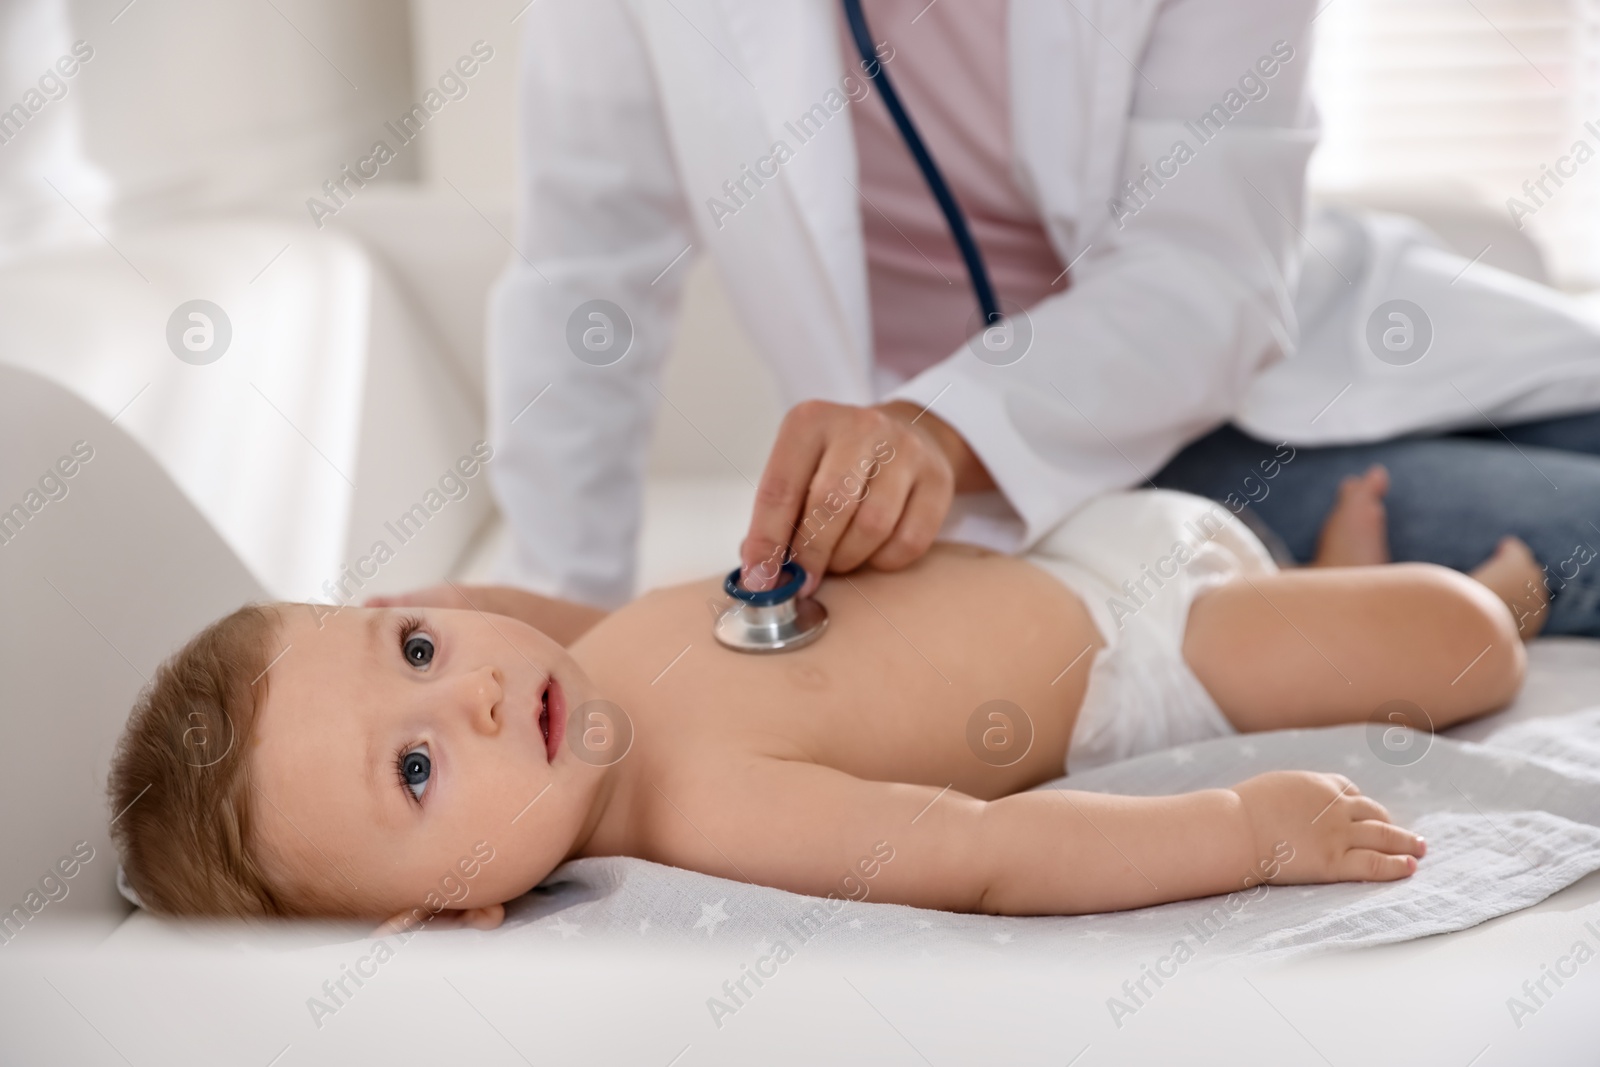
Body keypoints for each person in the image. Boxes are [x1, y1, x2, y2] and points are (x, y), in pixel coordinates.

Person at [480, 0, 1600, 634]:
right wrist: (562, 613)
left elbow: (1207, 265)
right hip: (1087, 488)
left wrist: (939, 424)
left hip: (1285, 341)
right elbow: (588, 274)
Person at [107, 487, 1527, 925]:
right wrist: (1242, 825)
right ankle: (1434, 592)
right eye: (415, 774)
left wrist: (415, 628)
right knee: (1462, 642)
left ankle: (1333, 578)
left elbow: (510, 630)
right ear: (447, 910)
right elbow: (983, 852)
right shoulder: (715, 804)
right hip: (1156, 648)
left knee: (1359, 618)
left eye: (416, 649)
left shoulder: (580, 662)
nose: (475, 692)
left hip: (1057, 535)